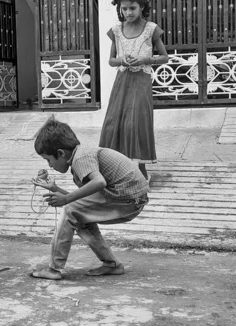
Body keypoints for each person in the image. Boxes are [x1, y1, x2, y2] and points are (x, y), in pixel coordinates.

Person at [30, 118, 149, 280]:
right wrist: (55, 189)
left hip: (128, 198)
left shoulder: (81, 158)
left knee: (70, 210)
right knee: (78, 216)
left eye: (48, 160)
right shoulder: (81, 156)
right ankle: (112, 264)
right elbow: (86, 201)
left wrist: (65, 201)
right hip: (129, 198)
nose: (50, 166)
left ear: (60, 153)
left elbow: (99, 183)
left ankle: (54, 269)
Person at [99, 0, 169, 181]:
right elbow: (111, 61)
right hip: (122, 81)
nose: (128, 13)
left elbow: (165, 58)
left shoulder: (151, 29)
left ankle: (141, 171)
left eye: (132, 8)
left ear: (142, 6)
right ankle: (115, 168)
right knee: (114, 124)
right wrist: (123, 60)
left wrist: (145, 60)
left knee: (136, 124)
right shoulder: (116, 30)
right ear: (119, 9)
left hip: (141, 82)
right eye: (124, 9)